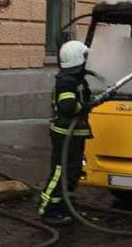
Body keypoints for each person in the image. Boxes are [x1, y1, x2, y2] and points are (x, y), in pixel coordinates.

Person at [38, 40, 94, 225]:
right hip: (64, 135)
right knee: (60, 172)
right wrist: (85, 106)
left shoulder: (76, 79)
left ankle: (64, 205)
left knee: (72, 171)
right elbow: (67, 106)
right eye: (85, 57)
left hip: (74, 135)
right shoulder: (66, 81)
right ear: (79, 59)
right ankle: (47, 209)